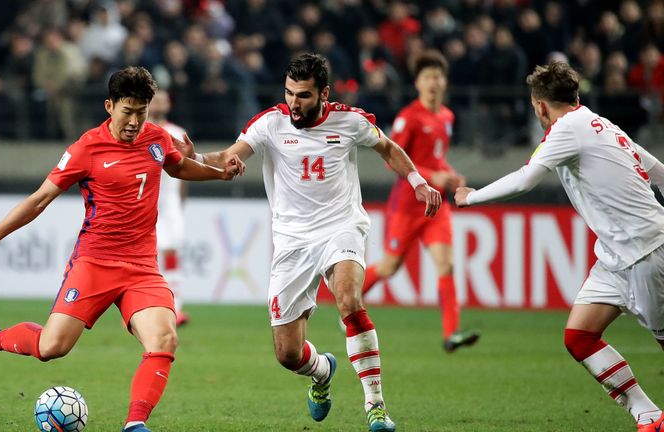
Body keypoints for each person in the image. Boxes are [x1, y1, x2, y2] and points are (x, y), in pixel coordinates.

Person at [0, 66, 244, 432]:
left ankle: (135, 424)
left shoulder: (157, 138)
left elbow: (179, 168)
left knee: (164, 338)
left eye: (141, 112)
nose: (134, 121)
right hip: (94, 263)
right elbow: (40, 199)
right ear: (109, 106)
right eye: (127, 112)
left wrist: (220, 172)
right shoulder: (87, 148)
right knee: (51, 347)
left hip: (141, 267)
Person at [175, 53, 442, 432]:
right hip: (291, 242)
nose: (293, 103)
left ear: (323, 94)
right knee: (287, 354)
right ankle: (322, 372)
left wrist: (417, 182)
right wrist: (198, 157)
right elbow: (228, 156)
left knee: (349, 298)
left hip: (341, 227)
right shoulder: (269, 123)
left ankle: (376, 406)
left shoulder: (349, 120)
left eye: (302, 95)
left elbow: (389, 149)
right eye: (288, 93)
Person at [455, 61, 664, 432]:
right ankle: (647, 414)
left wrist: (472, 197)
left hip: (647, 253)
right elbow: (657, 170)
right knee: (579, 336)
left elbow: (525, 179)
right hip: (617, 257)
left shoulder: (566, 129)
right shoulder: (601, 124)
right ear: (576, 95)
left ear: (539, 106)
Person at [359, 50, 479, 353]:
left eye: (437, 76)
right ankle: (349, 305)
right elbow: (391, 162)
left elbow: (436, 159)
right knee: (388, 267)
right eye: (427, 77)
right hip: (407, 206)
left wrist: (449, 175)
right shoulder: (407, 118)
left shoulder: (446, 117)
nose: (433, 82)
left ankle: (451, 335)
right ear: (417, 83)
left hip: (436, 207)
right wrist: (430, 177)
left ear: (445, 82)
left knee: (446, 264)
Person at [148, 88, 189, 326]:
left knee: (172, 252)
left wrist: (181, 203)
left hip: (170, 201)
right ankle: (141, 308)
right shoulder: (139, 131)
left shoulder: (177, 133)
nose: (159, 104)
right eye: (155, 100)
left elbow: (185, 171)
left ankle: (176, 307)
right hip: (146, 202)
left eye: (163, 100)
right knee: (147, 256)